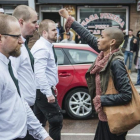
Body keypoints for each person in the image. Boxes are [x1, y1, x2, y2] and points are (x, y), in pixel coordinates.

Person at [59, 9, 132, 140]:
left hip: (113, 119)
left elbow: (126, 95)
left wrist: (101, 100)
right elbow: (88, 37)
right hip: (105, 117)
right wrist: (69, 19)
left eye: (102, 37)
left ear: (112, 42)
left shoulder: (116, 63)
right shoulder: (105, 56)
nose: (98, 40)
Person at [0, 14, 52, 140]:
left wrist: (43, 135)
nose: (21, 41)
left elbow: (20, 102)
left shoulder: (8, 64)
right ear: (0, 39)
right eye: (16, 36)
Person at [9, 5, 39, 140]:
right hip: (21, 110)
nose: (37, 26)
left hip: (26, 108)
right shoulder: (15, 47)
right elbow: (12, 82)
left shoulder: (23, 44)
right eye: (33, 22)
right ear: (21, 22)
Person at [31, 19, 63, 140]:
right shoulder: (42, 48)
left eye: (56, 29)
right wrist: (48, 93)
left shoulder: (47, 45)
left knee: (37, 123)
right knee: (56, 120)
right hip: (43, 91)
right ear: (44, 33)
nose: (57, 32)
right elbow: (39, 73)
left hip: (42, 91)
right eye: (53, 30)